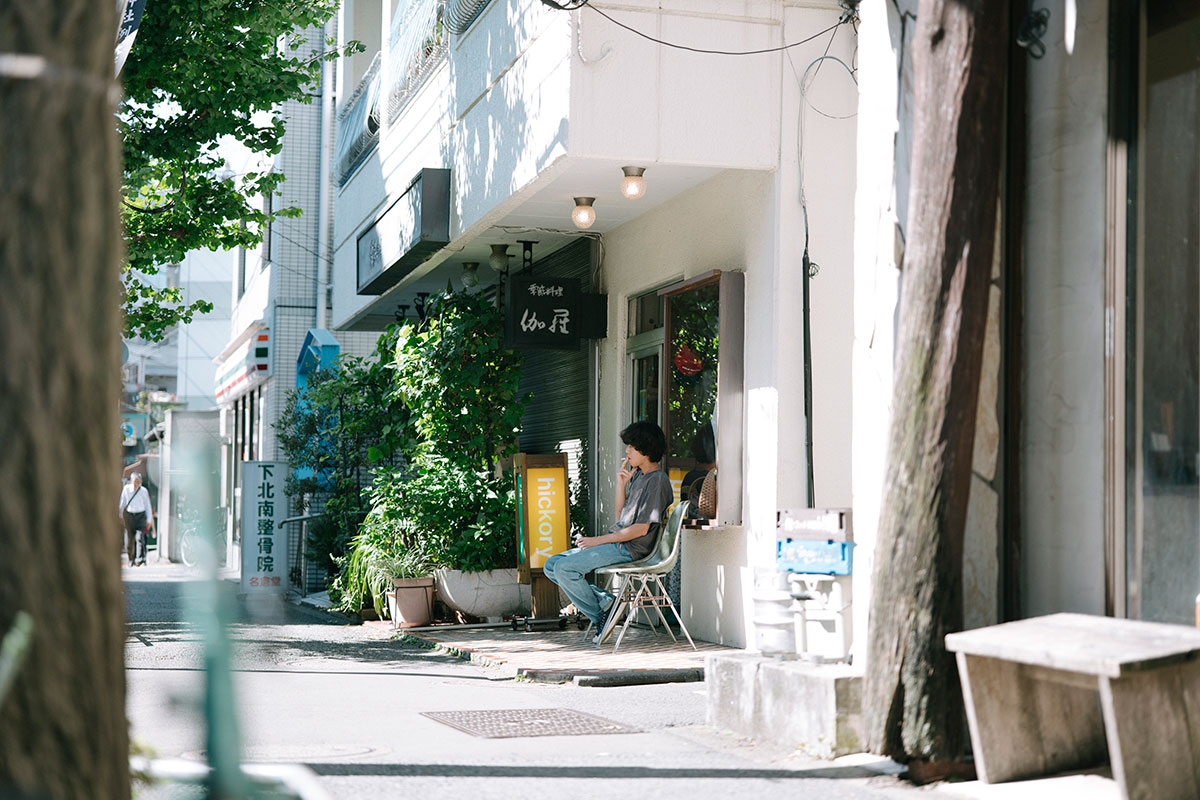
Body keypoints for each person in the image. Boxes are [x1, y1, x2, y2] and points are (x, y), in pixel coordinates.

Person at [543, 421, 674, 643]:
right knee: (551, 566)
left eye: (632, 446)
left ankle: (601, 616)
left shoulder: (657, 481)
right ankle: (607, 604)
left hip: (632, 549)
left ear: (645, 448)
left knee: (565, 568)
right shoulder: (640, 477)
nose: (627, 451)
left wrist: (597, 541)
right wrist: (621, 484)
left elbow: (641, 529)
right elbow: (622, 518)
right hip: (620, 543)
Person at [119, 472, 153, 566]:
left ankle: (139, 559)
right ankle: (131, 559)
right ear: (131, 481)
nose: (137, 484)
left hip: (141, 516)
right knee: (129, 540)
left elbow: (148, 506)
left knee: (140, 537)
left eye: (138, 482)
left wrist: (149, 520)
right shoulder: (126, 489)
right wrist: (120, 515)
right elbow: (122, 503)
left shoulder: (144, 491)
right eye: (135, 481)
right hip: (130, 516)